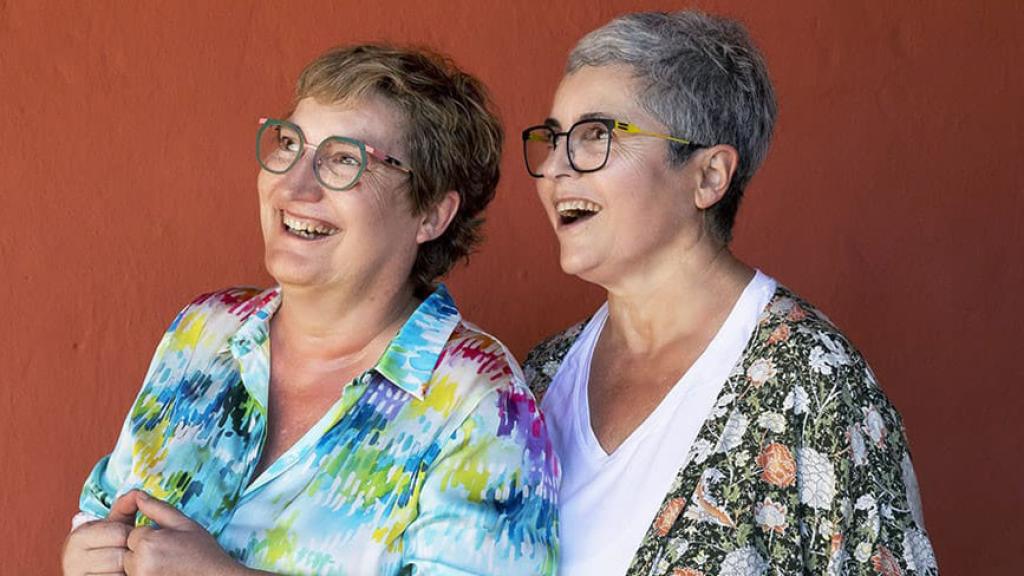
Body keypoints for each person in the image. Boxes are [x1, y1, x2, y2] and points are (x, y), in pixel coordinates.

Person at [62, 44, 559, 576]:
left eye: (345, 159)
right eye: (289, 144)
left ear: (432, 213)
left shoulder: (482, 404)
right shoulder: (205, 330)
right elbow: (102, 509)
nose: (294, 187)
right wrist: (86, 552)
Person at [521, 11, 937, 576]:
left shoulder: (811, 384)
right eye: (554, 138)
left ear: (709, 176)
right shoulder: (540, 376)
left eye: (597, 136)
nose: (553, 168)